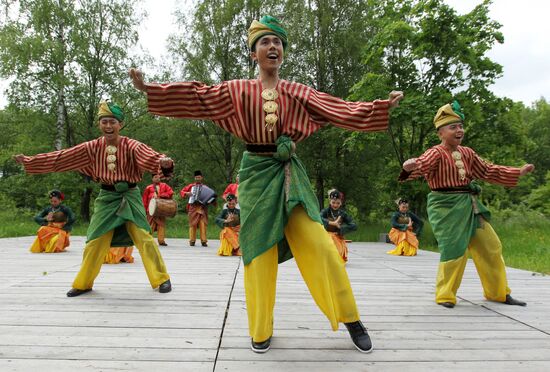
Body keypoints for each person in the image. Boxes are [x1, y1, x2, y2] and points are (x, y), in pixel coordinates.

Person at [130, 15, 403, 353]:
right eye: (265, 42)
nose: (272, 47)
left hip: (290, 175)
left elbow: (337, 108)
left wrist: (378, 108)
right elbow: (198, 96)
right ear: (253, 53)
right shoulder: (237, 90)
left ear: (283, 52)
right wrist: (150, 90)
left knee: (320, 245)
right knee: (258, 252)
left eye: (278, 42)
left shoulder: (298, 92)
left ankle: (351, 317)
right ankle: (261, 328)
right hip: (257, 174)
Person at [14, 101, 173, 297]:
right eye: (104, 122)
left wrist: (163, 163)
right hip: (107, 197)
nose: (108, 126)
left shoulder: (132, 146)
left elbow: (151, 158)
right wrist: (30, 161)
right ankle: (84, 283)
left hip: (130, 196)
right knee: (95, 241)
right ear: (100, 124)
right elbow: (61, 158)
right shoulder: (91, 148)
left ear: (120, 124)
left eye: (112, 122)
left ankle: (162, 279)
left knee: (144, 237)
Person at [399, 101, 534, 308]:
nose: (459, 130)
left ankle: (498, 293)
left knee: (491, 246)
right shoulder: (436, 152)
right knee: (454, 249)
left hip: (470, 205)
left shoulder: (468, 153)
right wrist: (410, 167)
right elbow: (422, 164)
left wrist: (516, 172)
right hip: (446, 207)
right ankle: (445, 294)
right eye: (453, 127)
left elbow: (488, 171)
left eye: (460, 126)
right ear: (441, 132)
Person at [320, 190, 357, 262]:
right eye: (333, 202)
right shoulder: (325, 211)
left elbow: (354, 225)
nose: (335, 205)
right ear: (330, 202)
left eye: (338, 203)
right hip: (326, 236)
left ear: (341, 203)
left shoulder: (343, 214)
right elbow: (318, 218)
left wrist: (341, 229)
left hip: (337, 237)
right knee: (329, 240)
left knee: (337, 252)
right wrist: (331, 223)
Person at [179, 170, 212, 247]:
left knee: (202, 224)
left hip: (202, 208)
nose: (197, 178)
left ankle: (204, 241)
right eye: (196, 177)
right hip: (193, 207)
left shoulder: (205, 187)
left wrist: (209, 201)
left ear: (201, 178)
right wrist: (187, 193)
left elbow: (211, 198)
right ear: (194, 178)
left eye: (199, 177)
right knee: (192, 224)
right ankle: (192, 240)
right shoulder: (191, 186)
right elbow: (182, 192)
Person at [143, 174, 174, 246]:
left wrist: (162, 195)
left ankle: (161, 241)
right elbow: (144, 200)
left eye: (158, 177)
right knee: (150, 225)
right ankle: (148, 240)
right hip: (150, 210)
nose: (157, 178)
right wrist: (144, 210)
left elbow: (171, 193)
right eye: (155, 177)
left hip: (161, 209)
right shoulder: (148, 188)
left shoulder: (164, 185)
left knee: (161, 225)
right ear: (152, 179)